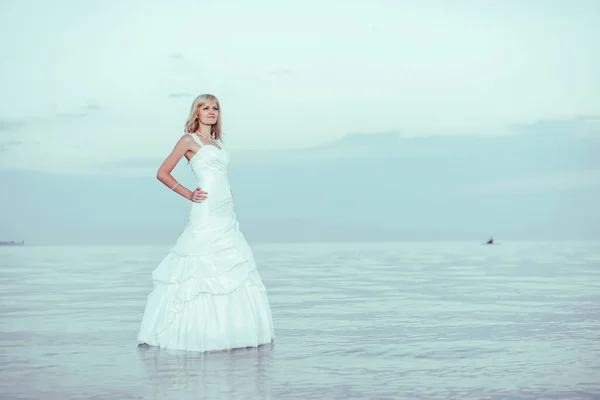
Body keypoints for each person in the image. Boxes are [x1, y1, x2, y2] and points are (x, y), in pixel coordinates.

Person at [137, 94, 275, 352]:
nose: (211, 112)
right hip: (206, 209)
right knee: (200, 262)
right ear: (196, 113)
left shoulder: (217, 143)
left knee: (231, 264)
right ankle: (191, 333)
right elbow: (162, 173)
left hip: (226, 211)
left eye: (215, 108)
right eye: (205, 108)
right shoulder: (189, 140)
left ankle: (229, 331)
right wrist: (188, 193)